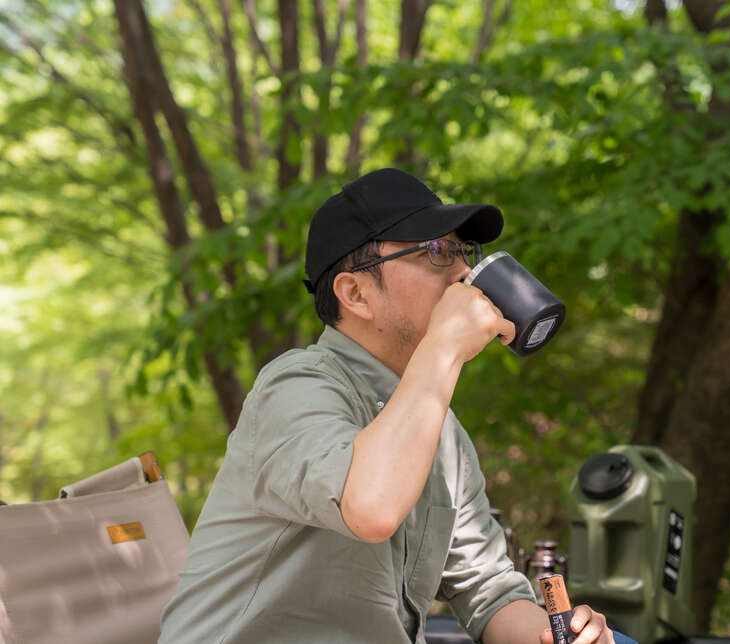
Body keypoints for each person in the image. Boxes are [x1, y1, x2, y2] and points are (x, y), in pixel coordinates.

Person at [159, 168, 628, 643]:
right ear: (356, 293)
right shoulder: (294, 385)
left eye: (463, 250)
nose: (465, 271)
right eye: (435, 251)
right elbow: (371, 508)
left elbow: (490, 591)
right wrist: (444, 348)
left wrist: (560, 635)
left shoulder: (439, 429)